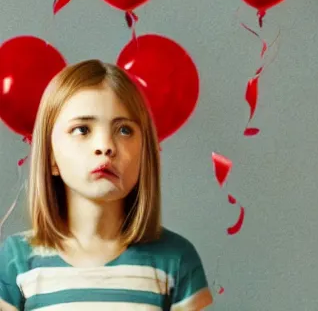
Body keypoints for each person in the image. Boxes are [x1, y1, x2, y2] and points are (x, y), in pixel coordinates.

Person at [0, 60, 213, 311]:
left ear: (145, 154)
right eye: (82, 129)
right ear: (50, 156)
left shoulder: (177, 260)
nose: (106, 146)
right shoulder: (15, 260)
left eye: (124, 130)